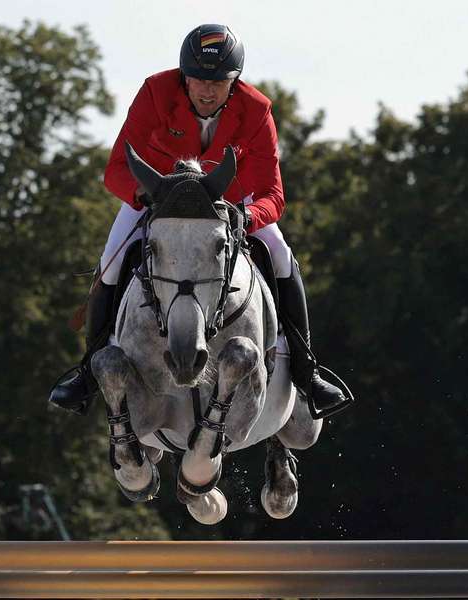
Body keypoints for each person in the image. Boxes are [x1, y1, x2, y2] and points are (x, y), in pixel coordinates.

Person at [50, 24, 345, 415]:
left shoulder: (257, 110)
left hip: (229, 203)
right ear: (183, 76)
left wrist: (247, 215)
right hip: (159, 199)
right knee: (111, 263)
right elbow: (116, 169)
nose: (207, 90)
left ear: (234, 81)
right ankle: (88, 374)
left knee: (280, 256)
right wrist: (147, 196)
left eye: (218, 82)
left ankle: (307, 372)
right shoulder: (155, 93)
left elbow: (274, 195)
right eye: (198, 80)